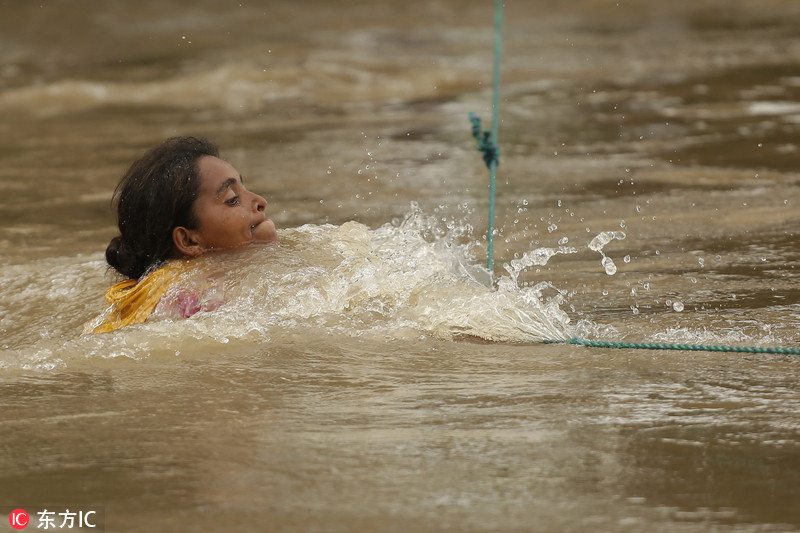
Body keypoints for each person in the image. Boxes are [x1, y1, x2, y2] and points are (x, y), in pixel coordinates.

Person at [83, 136, 278, 334]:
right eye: (232, 199)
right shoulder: (195, 301)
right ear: (188, 240)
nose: (261, 201)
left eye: (245, 189)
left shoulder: (170, 289)